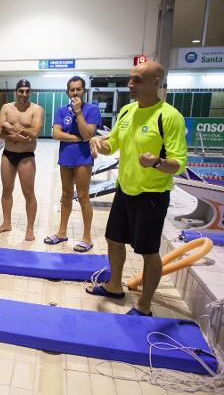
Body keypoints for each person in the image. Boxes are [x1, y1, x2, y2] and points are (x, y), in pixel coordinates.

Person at [87, 61, 187, 316]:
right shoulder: (127, 111)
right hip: (125, 190)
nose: (130, 84)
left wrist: (157, 162)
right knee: (114, 240)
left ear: (156, 82)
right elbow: (114, 145)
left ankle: (144, 305)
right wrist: (99, 143)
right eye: (130, 79)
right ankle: (114, 287)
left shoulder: (169, 116)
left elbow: (178, 164)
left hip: (152, 195)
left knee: (149, 252)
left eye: (137, 80)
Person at [44, 76, 100, 252]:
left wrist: (78, 113)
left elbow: (88, 133)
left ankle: (87, 237)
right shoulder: (61, 110)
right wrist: (78, 138)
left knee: (83, 196)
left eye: (78, 89)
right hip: (66, 158)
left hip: (83, 159)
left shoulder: (92, 110)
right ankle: (61, 233)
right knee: (65, 196)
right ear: (67, 92)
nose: (75, 92)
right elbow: (56, 134)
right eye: (72, 89)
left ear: (83, 91)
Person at [0, 79, 43, 241]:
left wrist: (12, 128)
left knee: (28, 193)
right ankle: (6, 223)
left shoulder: (37, 109)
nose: (24, 94)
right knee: (6, 191)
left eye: (27, 91)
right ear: (16, 92)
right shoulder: (6, 108)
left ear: (30, 92)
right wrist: (17, 135)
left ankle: (29, 229)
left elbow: (35, 132)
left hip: (26, 156)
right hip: (8, 154)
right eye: (21, 91)